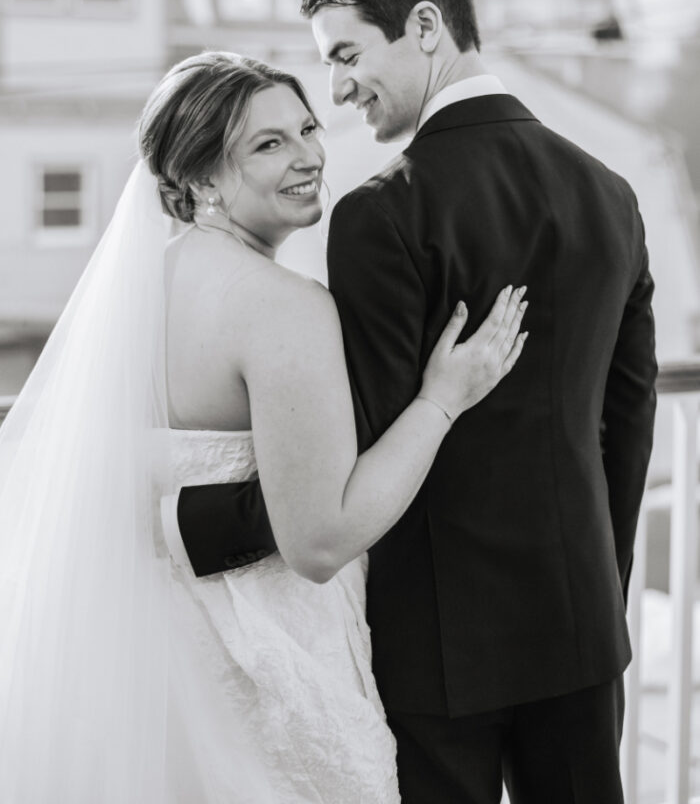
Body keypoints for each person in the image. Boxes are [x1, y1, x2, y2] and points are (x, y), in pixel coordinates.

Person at [172, 0, 658, 804]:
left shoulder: (382, 214)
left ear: (426, 26)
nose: (340, 89)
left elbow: (351, 442)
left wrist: (192, 522)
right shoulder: (610, 193)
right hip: (580, 625)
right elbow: (628, 419)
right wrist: (596, 582)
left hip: (437, 648)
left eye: (348, 55)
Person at [0, 50, 526, 803]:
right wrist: (442, 400)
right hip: (262, 669)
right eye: (268, 144)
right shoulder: (283, 307)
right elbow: (318, 540)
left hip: (144, 664)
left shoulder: (131, 299)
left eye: (307, 127)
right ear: (202, 179)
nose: (309, 155)